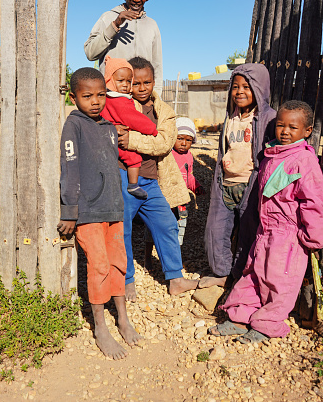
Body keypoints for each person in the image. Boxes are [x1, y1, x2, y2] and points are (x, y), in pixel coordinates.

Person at [209, 100, 323, 343]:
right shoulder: (272, 155)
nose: (285, 131)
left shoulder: (305, 161)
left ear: (307, 131)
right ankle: (240, 315)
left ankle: (267, 323)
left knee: (279, 280)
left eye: (293, 128)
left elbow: (314, 202)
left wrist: (313, 238)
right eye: (280, 125)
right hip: (265, 231)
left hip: (289, 236)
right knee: (253, 273)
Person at [57, 67, 141, 360]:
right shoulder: (74, 125)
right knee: (99, 266)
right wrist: (70, 210)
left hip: (113, 207)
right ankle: (100, 328)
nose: (95, 101)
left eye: (101, 95)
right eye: (87, 96)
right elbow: (69, 168)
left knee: (118, 261)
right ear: (73, 97)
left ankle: (123, 319)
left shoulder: (108, 127)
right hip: (88, 211)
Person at [116, 56, 199, 301]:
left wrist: (131, 140)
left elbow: (164, 144)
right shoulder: (120, 106)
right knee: (123, 230)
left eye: (147, 83)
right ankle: (126, 280)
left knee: (167, 225)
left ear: (154, 82)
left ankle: (175, 278)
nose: (141, 88)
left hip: (152, 181)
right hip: (124, 178)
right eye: (135, 83)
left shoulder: (164, 111)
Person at [199, 63, 276, 289]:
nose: (240, 91)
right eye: (235, 86)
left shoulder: (268, 119)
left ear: (260, 88)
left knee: (248, 234)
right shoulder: (230, 118)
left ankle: (242, 277)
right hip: (225, 183)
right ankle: (222, 273)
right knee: (215, 231)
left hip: (250, 186)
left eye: (247, 86)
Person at [84, 0, 163, 95]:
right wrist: (115, 24)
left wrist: (156, 96)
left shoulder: (152, 25)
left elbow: (157, 65)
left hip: (141, 96)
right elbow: (90, 53)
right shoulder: (108, 17)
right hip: (113, 96)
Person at [144, 117, 205, 270]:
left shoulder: (189, 156)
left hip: (180, 202)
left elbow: (188, 175)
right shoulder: (166, 153)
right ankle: (147, 258)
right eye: (180, 138)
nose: (184, 143)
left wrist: (196, 186)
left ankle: (174, 261)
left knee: (178, 230)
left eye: (188, 140)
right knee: (153, 228)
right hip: (162, 200)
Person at [101, 55, 158, 199]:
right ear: (109, 80)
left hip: (108, 137)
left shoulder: (107, 97)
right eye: (120, 81)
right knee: (133, 157)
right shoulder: (119, 100)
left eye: (128, 81)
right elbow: (134, 120)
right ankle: (133, 185)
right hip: (119, 139)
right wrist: (152, 129)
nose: (125, 85)